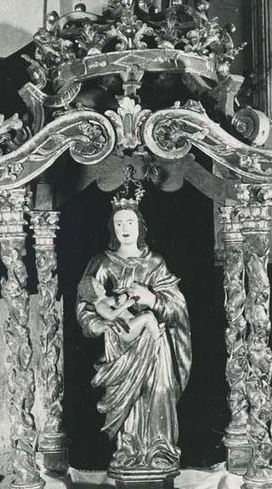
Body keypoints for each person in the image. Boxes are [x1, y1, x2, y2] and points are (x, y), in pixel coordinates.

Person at [76, 200, 192, 472]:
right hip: (120, 344)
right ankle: (128, 452)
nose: (124, 228)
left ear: (140, 225)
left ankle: (160, 450)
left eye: (130, 222)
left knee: (158, 391)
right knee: (130, 399)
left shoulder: (155, 263)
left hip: (154, 344)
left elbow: (177, 305)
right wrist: (99, 325)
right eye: (119, 223)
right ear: (111, 227)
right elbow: (85, 305)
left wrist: (151, 297)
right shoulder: (101, 263)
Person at [77, 276, 161, 343]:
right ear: (92, 293)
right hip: (127, 329)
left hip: (130, 321)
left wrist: (123, 296)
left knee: (148, 313)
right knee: (147, 317)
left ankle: (155, 331)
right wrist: (125, 305)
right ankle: (157, 339)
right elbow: (111, 315)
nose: (101, 285)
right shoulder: (100, 305)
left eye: (99, 283)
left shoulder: (106, 298)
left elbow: (117, 303)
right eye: (97, 287)